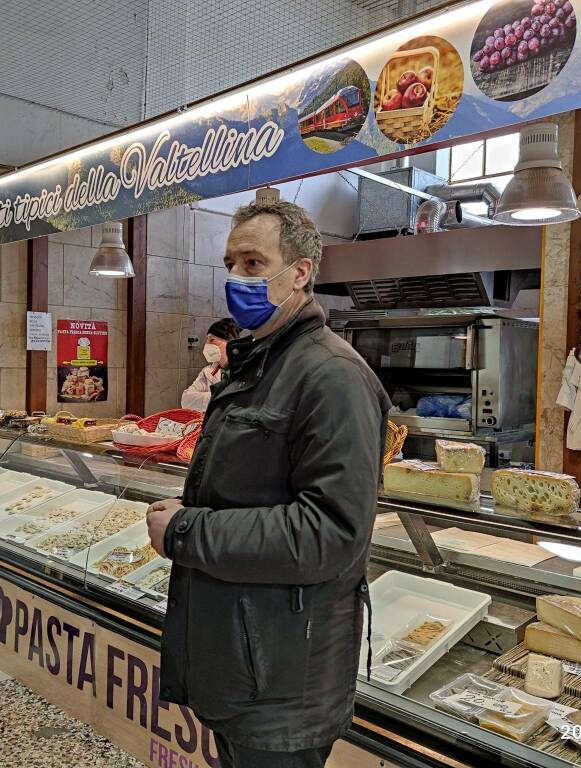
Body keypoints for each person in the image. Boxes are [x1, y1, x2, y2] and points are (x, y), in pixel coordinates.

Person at [146, 200, 391, 767]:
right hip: (243, 664)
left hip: (283, 680)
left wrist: (186, 530)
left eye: (254, 263)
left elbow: (330, 532)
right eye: (231, 262)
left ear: (300, 272)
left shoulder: (332, 377)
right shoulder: (259, 363)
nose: (237, 278)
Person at [181, 318, 241, 412]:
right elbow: (186, 400)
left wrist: (206, 398)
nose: (207, 344)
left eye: (212, 340)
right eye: (207, 340)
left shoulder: (244, 368)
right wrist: (220, 397)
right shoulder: (208, 372)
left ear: (229, 343)